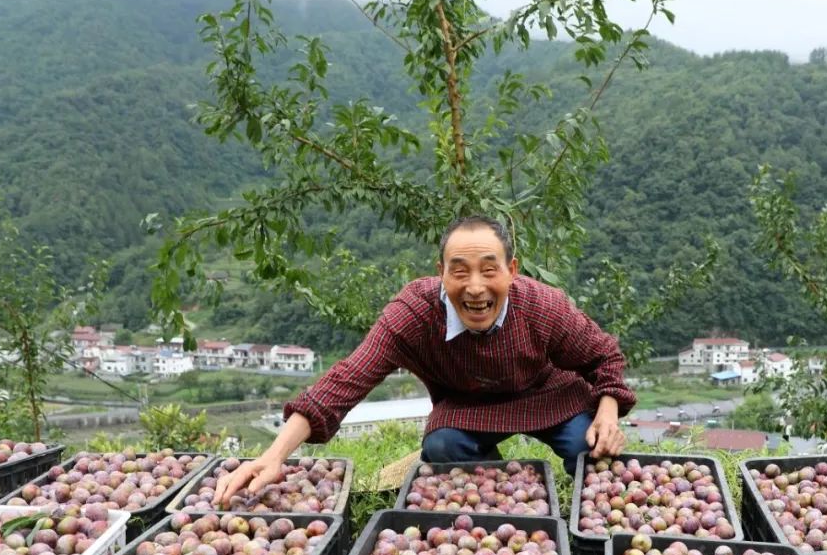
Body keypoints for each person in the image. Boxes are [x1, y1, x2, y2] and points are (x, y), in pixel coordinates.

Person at [214, 215, 635, 505]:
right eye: (459, 271)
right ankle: (511, 496)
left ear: (511, 269)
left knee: (591, 447)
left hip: (547, 395)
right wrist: (274, 455)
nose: (475, 288)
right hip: (468, 408)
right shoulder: (413, 314)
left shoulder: (542, 306)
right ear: (441, 272)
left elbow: (604, 356)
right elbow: (346, 380)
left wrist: (609, 411)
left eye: (489, 270)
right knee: (442, 447)